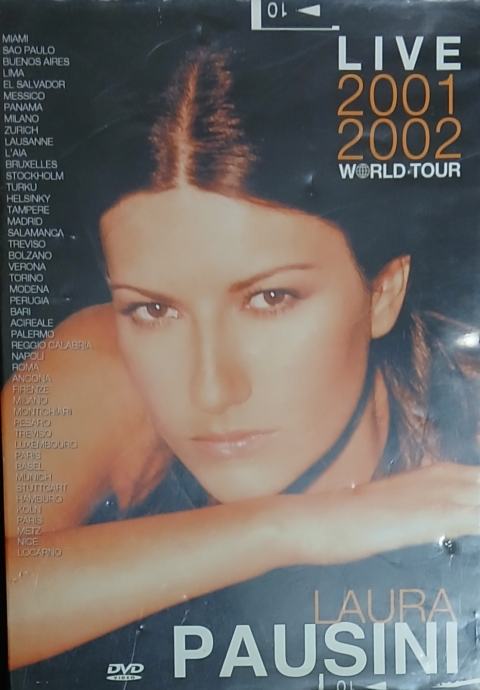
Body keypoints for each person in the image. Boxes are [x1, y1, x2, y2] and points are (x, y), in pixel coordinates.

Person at [3, 45, 479, 675]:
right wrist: (298, 527)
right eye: (154, 309)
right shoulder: (105, 366)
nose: (210, 390)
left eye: (270, 298)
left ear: (382, 293)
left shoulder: (467, 415)